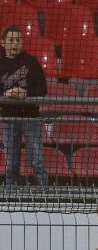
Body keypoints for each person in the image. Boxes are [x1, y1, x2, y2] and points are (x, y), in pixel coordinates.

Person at [1, 25, 47, 187]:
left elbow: (42, 89)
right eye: (12, 40)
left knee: (37, 161)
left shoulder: (31, 62)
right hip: (8, 119)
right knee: (11, 164)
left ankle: (44, 194)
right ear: (3, 42)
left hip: (30, 118)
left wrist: (25, 94)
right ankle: (11, 195)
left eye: (18, 40)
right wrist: (6, 94)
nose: (15, 43)